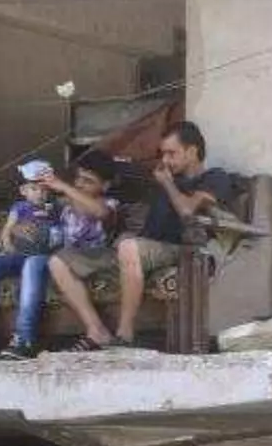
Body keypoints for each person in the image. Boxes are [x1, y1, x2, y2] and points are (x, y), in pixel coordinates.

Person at [49, 121, 232, 348]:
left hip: (180, 248)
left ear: (193, 151)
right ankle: (97, 331)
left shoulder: (214, 177)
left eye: (171, 153)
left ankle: (124, 334)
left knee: (129, 247)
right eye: (162, 154)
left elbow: (187, 211)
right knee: (59, 261)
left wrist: (167, 184)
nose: (165, 160)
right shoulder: (159, 177)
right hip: (141, 249)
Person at [0, 151, 120, 360]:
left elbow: (100, 212)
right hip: (42, 256)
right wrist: (15, 229)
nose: (79, 184)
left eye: (87, 181)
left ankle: (24, 339)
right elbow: (28, 210)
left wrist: (63, 186)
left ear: (105, 186)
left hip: (66, 261)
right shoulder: (61, 203)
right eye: (78, 178)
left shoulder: (110, 204)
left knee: (34, 263)